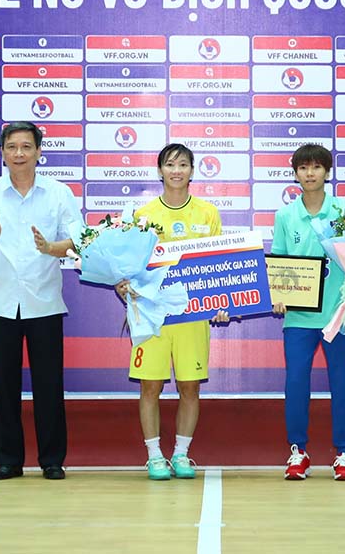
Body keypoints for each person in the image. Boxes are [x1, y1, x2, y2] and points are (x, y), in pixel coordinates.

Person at [0, 121, 82, 481]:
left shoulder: (58, 193)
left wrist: (51, 248)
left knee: (49, 385)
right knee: (4, 384)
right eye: (12, 147)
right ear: (3, 152)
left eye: (27, 147)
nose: (19, 154)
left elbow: (77, 242)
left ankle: (52, 460)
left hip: (44, 301)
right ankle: (9, 459)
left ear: (39, 153)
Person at [114, 143, 228, 481]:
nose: (176, 171)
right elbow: (129, 264)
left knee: (190, 388)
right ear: (160, 170)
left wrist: (221, 301)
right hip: (152, 315)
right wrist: (122, 282)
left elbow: (218, 266)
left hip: (193, 316)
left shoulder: (208, 212)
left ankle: (180, 454)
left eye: (183, 164)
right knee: (150, 387)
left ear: (193, 171)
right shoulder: (143, 215)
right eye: (169, 164)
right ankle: (154, 456)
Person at [271, 143, 345, 481]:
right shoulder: (285, 216)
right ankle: (298, 451)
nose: (310, 173)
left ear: (327, 171)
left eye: (316, 167)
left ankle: (344, 453)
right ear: (294, 173)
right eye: (303, 168)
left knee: (342, 383)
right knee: (295, 383)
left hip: (338, 314)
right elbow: (279, 259)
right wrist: (279, 294)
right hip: (298, 317)